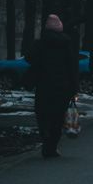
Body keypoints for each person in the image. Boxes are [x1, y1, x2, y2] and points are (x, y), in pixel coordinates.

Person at [30, 14, 79, 158]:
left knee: (43, 114)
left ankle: (45, 138)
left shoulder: (41, 43)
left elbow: (30, 59)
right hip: (62, 87)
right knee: (58, 117)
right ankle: (52, 146)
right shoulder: (66, 44)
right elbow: (72, 67)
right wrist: (74, 87)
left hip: (44, 85)